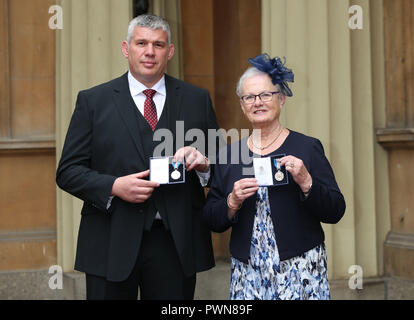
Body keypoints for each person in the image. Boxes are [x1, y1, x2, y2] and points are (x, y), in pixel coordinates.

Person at [56, 14, 219, 300]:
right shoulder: (93, 102)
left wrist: (204, 163)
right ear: (126, 48)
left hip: (175, 243)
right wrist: (113, 186)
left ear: (169, 51)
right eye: (141, 43)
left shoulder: (197, 99)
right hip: (110, 240)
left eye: (158, 44)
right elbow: (67, 171)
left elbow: (221, 169)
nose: (149, 51)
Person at [203, 53, 346, 300]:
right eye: (249, 97)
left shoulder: (307, 147)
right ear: (242, 104)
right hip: (248, 275)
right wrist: (231, 202)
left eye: (265, 95)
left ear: (281, 99)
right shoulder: (229, 155)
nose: (257, 102)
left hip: (301, 270)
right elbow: (211, 218)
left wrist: (306, 182)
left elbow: (336, 210)